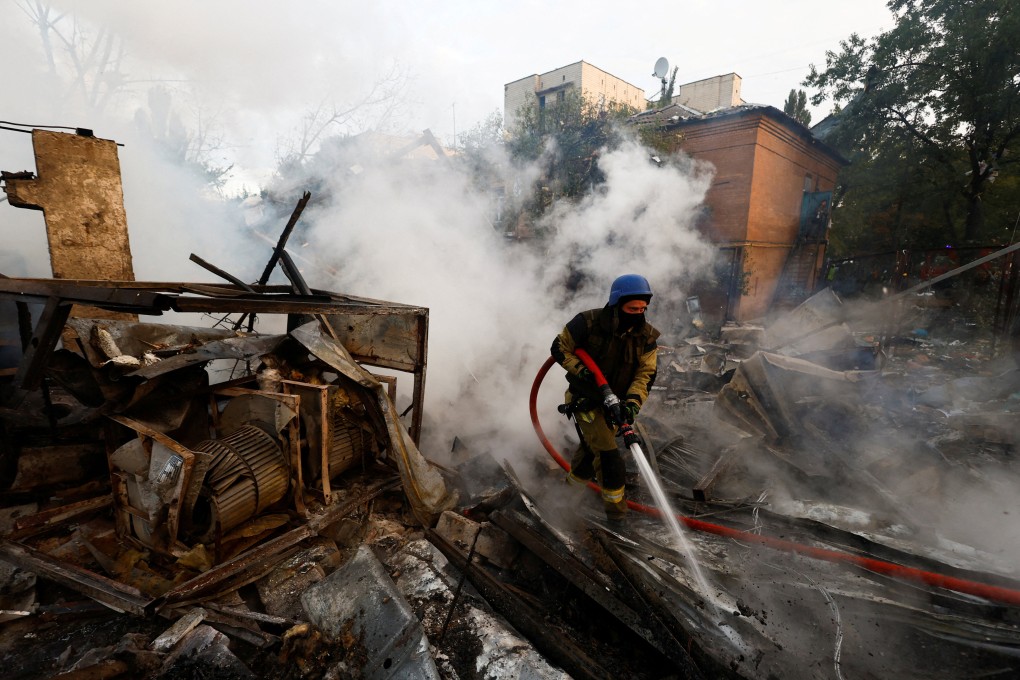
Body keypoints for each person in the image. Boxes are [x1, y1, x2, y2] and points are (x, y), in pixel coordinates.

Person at [550, 274, 660, 521]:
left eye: (643, 308)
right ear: (617, 303)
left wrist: (631, 404)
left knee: (590, 454)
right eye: (632, 308)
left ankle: (565, 499)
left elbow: (645, 375)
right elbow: (559, 347)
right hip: (585, 400)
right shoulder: (587, 323)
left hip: (615, 403)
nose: (638, 313)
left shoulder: (647, 338)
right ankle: (617, 517)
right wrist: (583, 371)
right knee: (610, 458)